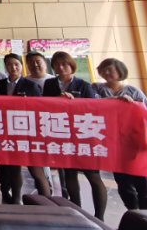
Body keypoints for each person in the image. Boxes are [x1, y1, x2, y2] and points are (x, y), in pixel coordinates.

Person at [43, 51, 106, 220]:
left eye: (64, 64)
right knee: (69, 174)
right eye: (57, 64)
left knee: (93, 175)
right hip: (62, 134)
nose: (61, 67)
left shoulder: (83, 85)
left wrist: (74, 102)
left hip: (84, 135)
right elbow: (44, 105)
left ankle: (99, 216)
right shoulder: (50, 84)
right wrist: (57, 99)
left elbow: (93, 109)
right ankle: (76, 210)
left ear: (71, 65)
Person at [94, 57, 147, 210]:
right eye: (103, 70)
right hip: (113, 141)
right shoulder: (97, 89)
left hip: (134, 140)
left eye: (110, 70)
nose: (107, 73)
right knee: (122, 180)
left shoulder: (133, 92)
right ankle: (132, 210)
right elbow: (92, 105)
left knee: (142, 179)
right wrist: (114, 100)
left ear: (120, 71)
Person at [0, 53, 49, 203]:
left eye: (16, 64)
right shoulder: (1, 84)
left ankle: (47, 202)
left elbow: (39, 110)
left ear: (21, 66)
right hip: (9, 131)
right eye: (9, 65)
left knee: (36, 169)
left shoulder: (31, 85)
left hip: (29, 132)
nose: (13, 68)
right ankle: (16, 199)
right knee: (14, 168)